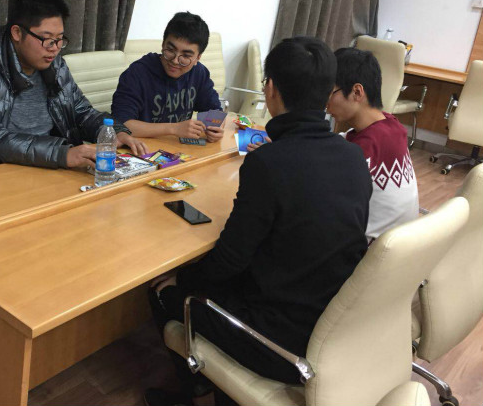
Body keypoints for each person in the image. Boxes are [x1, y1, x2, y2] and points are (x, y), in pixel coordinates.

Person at [145, 37, 372, 406]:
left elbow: (229, 261)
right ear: (328, 92)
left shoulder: (269, 163)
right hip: (334, 323)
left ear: (270, 89)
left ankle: (197, 391)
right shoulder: (353, 156)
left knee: (161, 287)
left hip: (278, 340)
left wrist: (181, 279)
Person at [0, 0, 145, 172]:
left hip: (47, 167)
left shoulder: (56, 66)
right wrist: (61, 154)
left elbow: (82, 112)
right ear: (17, 33)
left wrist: (114, 132)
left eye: (59, 39)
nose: (54, 48)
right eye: (47, 39)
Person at [326, 47, 419, 241]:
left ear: (357, 92)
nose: (326, 104)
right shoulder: (391, 126)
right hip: (400, 247)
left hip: (368, 251)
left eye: (330, 92)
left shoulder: (363, 150)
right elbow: (340, 140)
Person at [111, 12, 223, 143]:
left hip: (178, 148)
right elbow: (120, 125)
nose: (175, 61)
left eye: (186, 56)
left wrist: (215, 128)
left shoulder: (199, 73)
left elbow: (215, 112)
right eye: (170, 50)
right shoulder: (137, 73)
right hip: (142, 148)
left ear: (198, 58)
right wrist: (174, 128)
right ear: (163, 44)